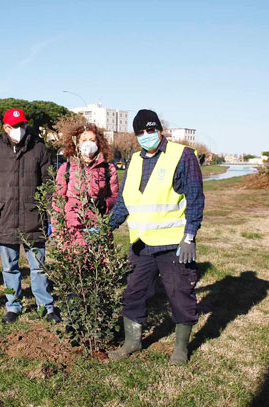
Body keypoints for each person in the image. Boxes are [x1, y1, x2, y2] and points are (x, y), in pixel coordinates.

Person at [108, 109, 204, 364]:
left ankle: (181, 348)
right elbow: (125, 202)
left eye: (150, 130)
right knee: (133, 293)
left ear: (159, 130)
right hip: (141, 244)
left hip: (173, 244)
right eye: (140, 132)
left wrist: (190, 236)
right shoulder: (135, 160)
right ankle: (132, 342)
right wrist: (107, 226)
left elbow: (195, 198)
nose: (146, 136)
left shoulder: (181, 155)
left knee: (180, 294)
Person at [0, 108, 60, 324]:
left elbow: (48, 183)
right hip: (4, 217)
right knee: (9, 267)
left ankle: (45, 306)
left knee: (38, 266)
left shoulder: (39, 149)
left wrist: (51, 214)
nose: (19, 129)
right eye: (14, 126)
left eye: (22, 125)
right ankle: (13, 305)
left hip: (33, 217)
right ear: (5, 127)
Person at [53, 123, 119, 246]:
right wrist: (58, 232)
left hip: (98, 229)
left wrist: (105, 204)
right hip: (72, 231)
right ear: (77, 143)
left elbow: (116, 198)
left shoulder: (108, 169)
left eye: (92, 140)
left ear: (98, 143)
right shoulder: (66, 168)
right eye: (84, 140)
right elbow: (58, 201)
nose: (88, 143)